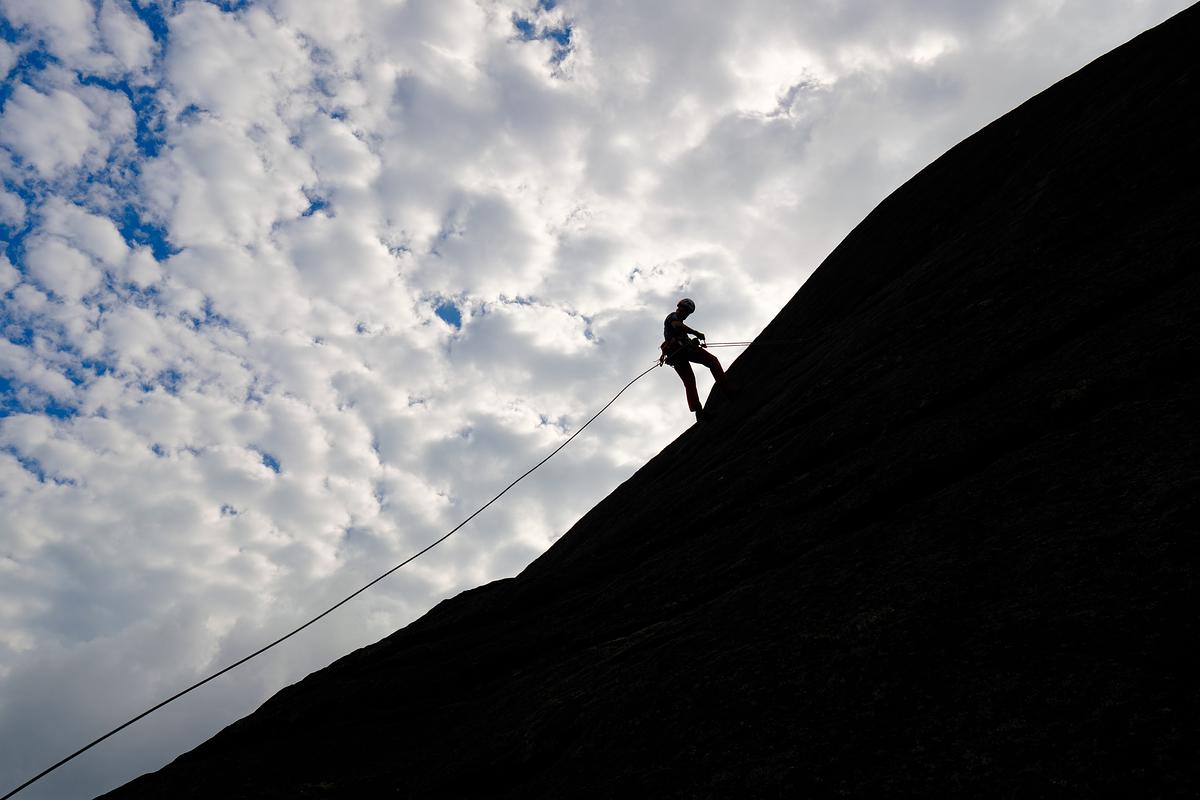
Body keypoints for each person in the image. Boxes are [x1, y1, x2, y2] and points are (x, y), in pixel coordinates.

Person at [660, 298, 731, 421]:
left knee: (696, 376)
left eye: (688, 313)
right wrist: (695, 333)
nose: (686, 314)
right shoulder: (672, 317)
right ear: (679, 307)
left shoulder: (679, 326)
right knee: (699, 373)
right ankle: (703, 409)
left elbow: (681, 335)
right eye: (686, 310)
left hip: (679, 353)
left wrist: (693, 341)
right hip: (679, 353)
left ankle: (703, 410)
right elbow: (677, 325)